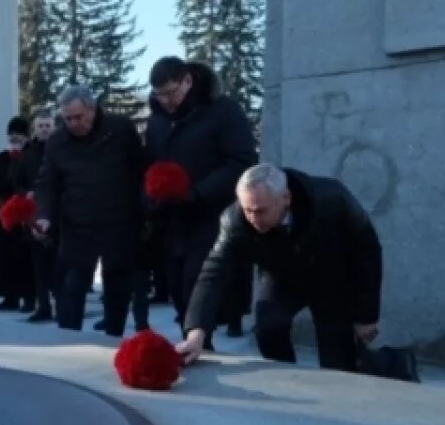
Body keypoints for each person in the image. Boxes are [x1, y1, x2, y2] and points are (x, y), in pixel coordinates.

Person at [177, 164, 419, 383]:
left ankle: (396, 362)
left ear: (286, 198)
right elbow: (214, 271)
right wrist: (196, 332)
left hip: (333, 278)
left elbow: (367, 251)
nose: (252, 219)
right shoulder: (235, 221)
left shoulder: (332, 198)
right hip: (283, 278)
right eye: (247, 209)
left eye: (260, 211)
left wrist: (366, 314)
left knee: (340, 367)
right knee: (268, 327)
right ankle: (291, 380)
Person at [145, 57, 258, 345]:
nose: (167, 101)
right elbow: (149, 163)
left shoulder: (222, 111)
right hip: (171, 220)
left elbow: (242, 161)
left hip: (212, 217)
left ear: (188, 81)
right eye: (160, 94)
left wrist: (198, 192)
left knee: (197, 288)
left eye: (172, 92)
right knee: (177, 292)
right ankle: (195, 343)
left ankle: (199, 346)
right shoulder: (157, 121)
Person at [34, 85, 146, 336]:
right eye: (68, 118)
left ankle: (114, 336)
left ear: (92, 110)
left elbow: (140, 172)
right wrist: (43, 216)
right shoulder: (57, 142)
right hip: (77, 226)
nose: (74, 124)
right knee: (71, 288)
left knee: (117, 286)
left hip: (118, 222)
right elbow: (47, 184)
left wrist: (143, 211)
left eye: (79, 117)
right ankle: (67, 340)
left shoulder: (120, 130)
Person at [0, 116, 36, 312]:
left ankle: (30, 298)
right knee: (4, 258)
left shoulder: (33, 156)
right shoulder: (0, 158)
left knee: (26, 259)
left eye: (19, 135)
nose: (15, 138)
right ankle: (9, 296)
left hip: (25, 216)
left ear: (26, 136)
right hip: (3, 216)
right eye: (12, 134)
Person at [15, 110, 56, 322]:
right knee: (38, 264)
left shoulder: (61, 147)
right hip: (33, 214)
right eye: (41, 126)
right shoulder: (27, 152)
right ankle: (43, 306)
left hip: (57, 214)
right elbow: (17, 182)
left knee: (59, 264)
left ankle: (64, 305)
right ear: (34, 129)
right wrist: (26, 194)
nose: (45, 129)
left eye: (48, 125)